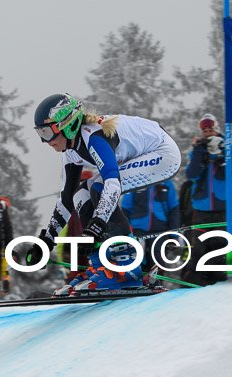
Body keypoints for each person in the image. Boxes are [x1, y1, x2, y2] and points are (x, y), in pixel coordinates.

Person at [26, 93, 181, 294]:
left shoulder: (94, 138)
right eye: (41, 134)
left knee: (99, 188)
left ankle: (128, 269)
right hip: (142, 152)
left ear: (68, 125)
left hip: (162, 154)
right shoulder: (71, 149)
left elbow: (112, 184)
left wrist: (96, 227)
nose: (46, 142)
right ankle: (102, 266)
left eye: (48, 133)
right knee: (80, 195)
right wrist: (47, 241)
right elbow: (65, 202)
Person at [183, 113, 232, 286]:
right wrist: (198, 149)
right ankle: (197, 284)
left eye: (210, 129)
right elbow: (191, 175)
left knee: (223, 247)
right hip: (202, 209)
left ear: (217, 129)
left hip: (223, 208)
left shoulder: (227, 147)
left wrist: (224, 147)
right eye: (204, 130)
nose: (207, 133)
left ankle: (227, 283)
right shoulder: (199, 150)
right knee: (200, 248)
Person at [121, 179, 180, 271]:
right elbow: (125, 209)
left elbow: (174, 209)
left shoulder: (167, 182)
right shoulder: (134, 181)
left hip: (160, 229)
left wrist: (173, 235)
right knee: (137, 259)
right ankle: (137, 282)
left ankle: (157, 281)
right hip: (137, 229)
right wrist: (124, 232)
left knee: (157, 260)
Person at [56, 170, 94, 282]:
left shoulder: (98, 202)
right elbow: (64, 235)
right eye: (80, 184)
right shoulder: (72, 207)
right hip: (75, 248)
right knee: (74, 277)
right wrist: (64, 263)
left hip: (93, 245)